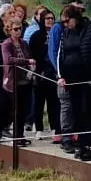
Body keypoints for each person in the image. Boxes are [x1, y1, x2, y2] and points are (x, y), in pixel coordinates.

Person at [57, 5, 91, 161]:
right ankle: (81, 144)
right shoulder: (66, 33)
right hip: (72, 80)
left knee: (87, 111)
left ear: (74, 18)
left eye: (66, 21)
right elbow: (60, 55)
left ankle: (90, 146)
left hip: (88, 78)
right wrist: (60, 76)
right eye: (62, 22)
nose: (65, 24)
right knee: (76, 112)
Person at [49, 0, 84, 147]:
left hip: (77, 74)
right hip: (63, 74)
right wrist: (59, 73)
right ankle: (66, 135)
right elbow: (54, 51)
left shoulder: (81, 29)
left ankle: (75, 134)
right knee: (65, 105)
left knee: (75, 105)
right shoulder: (58, 29)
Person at [0, 17, 36, 146]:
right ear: (9, 30)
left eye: (20, 29)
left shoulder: (24, 43)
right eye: (16, 29)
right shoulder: (6, 44)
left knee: (23, 111)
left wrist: (30, 64)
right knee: (14, 110)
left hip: (25, 81)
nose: (18, 31)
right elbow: (8, 60)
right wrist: (26, 62)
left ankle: (20, 135)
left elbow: (30, 56)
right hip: (13, 82)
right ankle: (8, 132)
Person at [30, 8, 60, 140]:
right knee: (39, 102)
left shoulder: (58, 34)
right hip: (40, 72)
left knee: (54, 102)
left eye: (52, 19)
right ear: (42, 20)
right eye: (47, 19)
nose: (50, 21)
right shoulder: (36, 36)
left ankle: (55, 128)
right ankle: (39, 128)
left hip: (53, 73)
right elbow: (33, 54)